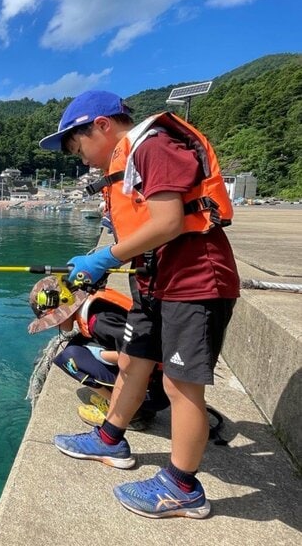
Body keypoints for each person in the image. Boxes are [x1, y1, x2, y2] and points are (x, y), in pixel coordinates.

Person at [39, 91, 239, 519]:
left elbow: (168, 222)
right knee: (133, 361)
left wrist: (105, 258)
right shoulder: (126, 162)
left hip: (195, 282)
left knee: (181, 386)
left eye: (78, 146)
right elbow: (145, 228)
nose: (82, 159)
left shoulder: (153, 146)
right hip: (155, 283)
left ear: (102, 126)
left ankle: (183, 488)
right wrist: (104, 260)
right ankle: (111, 438)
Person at [27, 277, 169, 429]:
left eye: (51, 319)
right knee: (77, 344)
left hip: (154, 391)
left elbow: (142, 356)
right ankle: (131, 405)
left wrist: (100, 355)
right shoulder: (95, 303)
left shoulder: (100, 321)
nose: (53, 326)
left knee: (69, 358)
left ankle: (126, 412)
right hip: (157, 383)